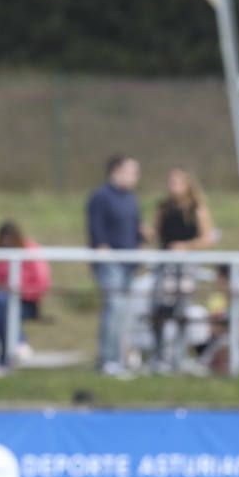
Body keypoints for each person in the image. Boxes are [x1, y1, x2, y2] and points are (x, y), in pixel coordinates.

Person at [150, 168, 215, 371]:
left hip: (186, 267)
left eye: (177, 182)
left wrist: (185, 246)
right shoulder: (163, 207)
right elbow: (155, 232)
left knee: (181, 311)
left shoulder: (197, 207)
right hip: (165, 266)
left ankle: (178, 357)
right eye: (171, 182)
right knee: (158, 310)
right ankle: (159, 357)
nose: (173, 186)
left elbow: (208, 238)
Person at [87, 155, 144, 375]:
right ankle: (107, 359)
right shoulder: (101, 197)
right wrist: (103, 250)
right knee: (114, 308)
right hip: (111, 265)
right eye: (131, 171)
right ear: (116, 171)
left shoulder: (131, 198)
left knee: (125, 313)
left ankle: (121, 357)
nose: (136, 177)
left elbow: (135, 227)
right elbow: (96, 229)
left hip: (130, 264)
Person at [0, 220, 51, 375]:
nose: (6, 242)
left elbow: (41, 282)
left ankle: (5, 359)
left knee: (2, 310)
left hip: (26, 303)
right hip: (1, 302)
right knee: (1, 304)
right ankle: (18, 343)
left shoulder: (30, 251)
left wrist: (20, 290)